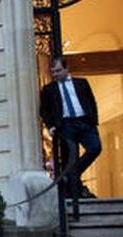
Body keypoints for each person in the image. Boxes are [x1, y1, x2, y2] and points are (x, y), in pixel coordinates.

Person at [39, 56, 102, 198]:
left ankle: (71, 173)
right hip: (65, 126)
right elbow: (44, 110)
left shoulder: (82, 83)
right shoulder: (49, 89)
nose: (55, 74)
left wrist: (93, 121)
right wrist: (51, 126)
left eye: (58, 70)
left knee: (95, 148)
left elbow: (91, 102)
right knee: (70, 158)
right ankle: (74, 196)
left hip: (85, 123)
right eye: (53, 71)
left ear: (67, 69)